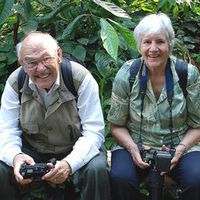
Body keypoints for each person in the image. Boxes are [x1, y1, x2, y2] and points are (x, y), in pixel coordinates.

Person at [0, 31, 110, 200]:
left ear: (58, 55)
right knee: (1, 167)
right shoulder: (15, 83)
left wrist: (69, 164)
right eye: (32, 62)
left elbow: (93, 132)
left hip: (74, 147)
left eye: (46, 59)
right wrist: (16, 157)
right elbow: (7, 131)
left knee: (97, 169)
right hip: (33, 150)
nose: (41, 68)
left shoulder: (80, 78)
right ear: (22, 63)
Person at [107, 12, 200, 200]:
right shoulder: (128, 73)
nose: (153, 48)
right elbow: (116, 125)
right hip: (135, 145)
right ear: (139, 45)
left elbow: (197, 125)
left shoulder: (186, 74)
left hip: (180, 147)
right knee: (120, 178)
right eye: (147, 42)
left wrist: (180, 149)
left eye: (160, 41)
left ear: (170, 45)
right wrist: (134, 149)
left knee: (197, 178)